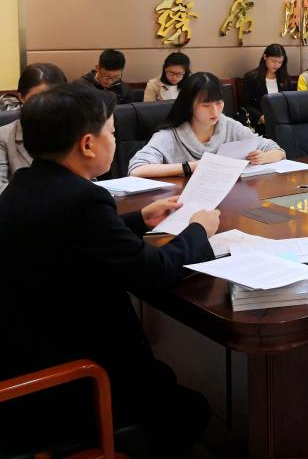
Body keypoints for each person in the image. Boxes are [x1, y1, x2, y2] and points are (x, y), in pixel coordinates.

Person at [0, 83, 219, 457]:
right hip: (68, 385)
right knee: (189, 411)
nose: (115, 142)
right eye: (112, 133)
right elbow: (154, 272)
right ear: (88, 145)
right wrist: (199, 230)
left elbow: (74, 237)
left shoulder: (26, 186)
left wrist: (139, 220)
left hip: (23, 356)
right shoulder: (82, 201)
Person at [128, 72, 285, 177]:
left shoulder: (228, 126)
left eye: (219, 103)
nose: (215, 111)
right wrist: (192, 167)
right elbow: (137, 169)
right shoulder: (171, 135)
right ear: (189, 105)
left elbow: (278, 151)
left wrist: (263, 157)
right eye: (206, 105)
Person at [0, 62, 66, 192]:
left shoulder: (73, 132)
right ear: (21, 97)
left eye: (54, 98)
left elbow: (87, 178)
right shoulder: (3, 137)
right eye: (37, 98)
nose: (47, 105)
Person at [239, 44, 292, 129]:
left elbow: (290, 101)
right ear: (265, 57)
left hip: (282, 123)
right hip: (259, 124)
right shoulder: (252, 78)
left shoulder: (285, 78)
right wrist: (260, 116)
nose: (276, 65)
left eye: (280, 62)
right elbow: (245, 104)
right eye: (273, 61)